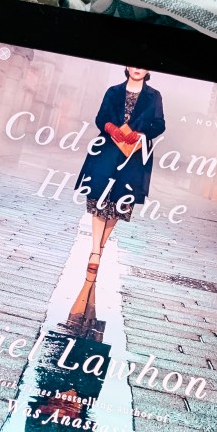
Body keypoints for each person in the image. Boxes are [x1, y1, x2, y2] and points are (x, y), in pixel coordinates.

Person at [74, 67, 165, 280]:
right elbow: (100, 118)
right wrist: (109, 127)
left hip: (133, 156)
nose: (137, 68)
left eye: (143, 65)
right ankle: (95, 251)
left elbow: (160, 125)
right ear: (127, 67)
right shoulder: (113, 91)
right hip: (106, 150)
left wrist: (141, 134)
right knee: (99, 197)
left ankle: (100, 248)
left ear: (148, 69)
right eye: (134, 64)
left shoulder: (154, 96)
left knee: (119, 203)